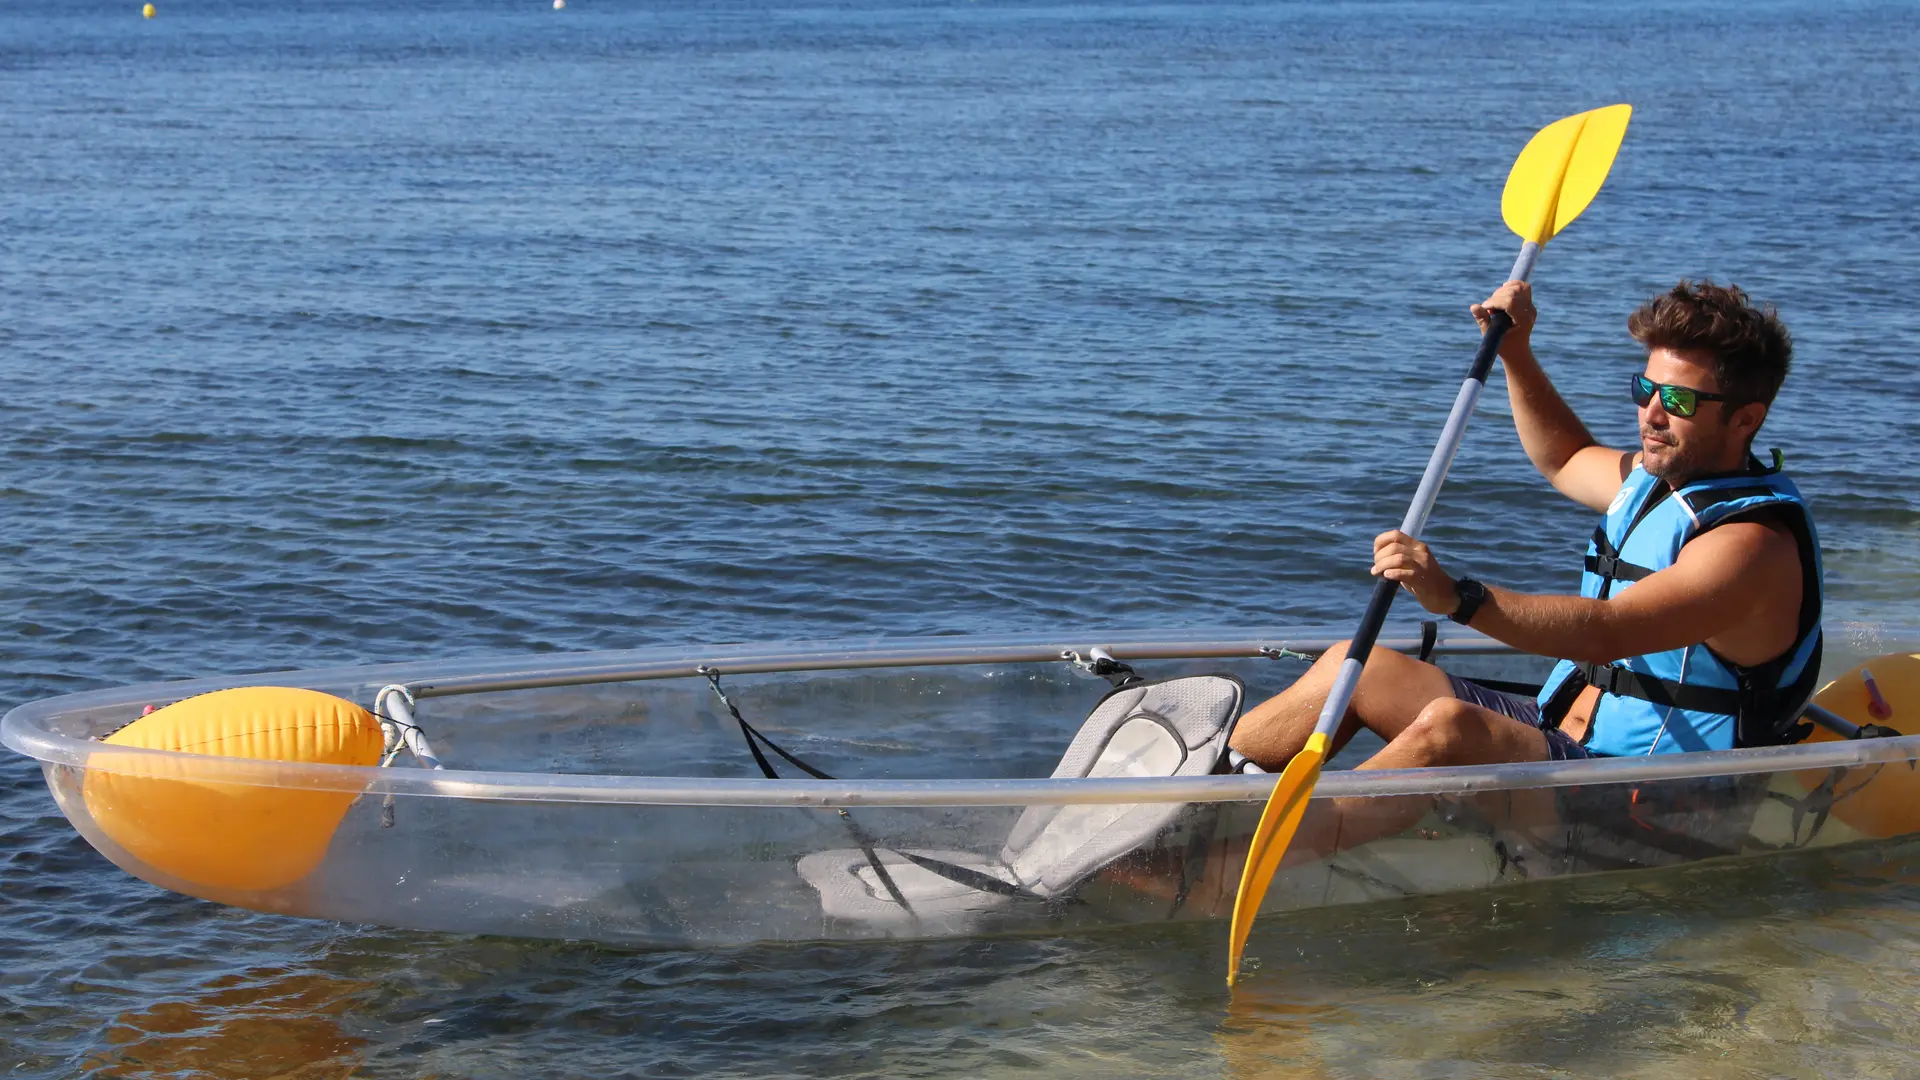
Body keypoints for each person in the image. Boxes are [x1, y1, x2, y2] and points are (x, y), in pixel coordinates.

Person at [1224, 279, 1823, 853]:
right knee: (1356, 669)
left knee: (1452, 730)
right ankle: (1190, 793)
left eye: (1679, 400)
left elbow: (1609, 631)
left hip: (1655, 803)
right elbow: (1564, 457)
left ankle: (1222, 864)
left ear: (1746, 418)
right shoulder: (1655, 479)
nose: (1652, 415)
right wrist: (1517, 353)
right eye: (1646, 390)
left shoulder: (1751, 545)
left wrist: (1457, 597)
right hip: (1563, 738)